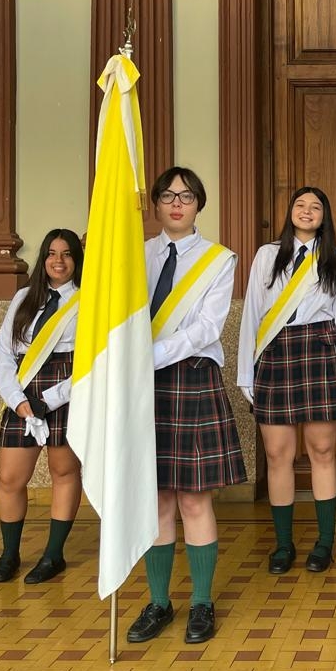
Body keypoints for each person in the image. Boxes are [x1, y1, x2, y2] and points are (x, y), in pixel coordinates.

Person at [126, 167, 246, 646]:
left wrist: (149, 355)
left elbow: (207, 328)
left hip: (191, 376)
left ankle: (201, 601)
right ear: (155, 203)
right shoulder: (134, 255)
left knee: (195, 498)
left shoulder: (219, 260)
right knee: (156, 497)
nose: (178, 203)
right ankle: (159, 602)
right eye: (169, 195)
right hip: (143, 386)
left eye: (188, 195)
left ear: (199, 204)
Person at [238, 186, 336, 574]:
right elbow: (252, 314)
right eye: (300, 205)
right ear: (290, 212)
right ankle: (283, 545)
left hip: (320, 352)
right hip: (275, 352)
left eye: (315, 207)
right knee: (278, 454)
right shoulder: (267, 255)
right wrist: (246, 371)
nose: (307, 211)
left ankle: (324, 543)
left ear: (324, 217)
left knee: (322, 451)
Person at [0, 228, 84, 584]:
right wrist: (17, 401)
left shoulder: (88, 301)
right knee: (9, 478)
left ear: (77, 260)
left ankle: (53, 555)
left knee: (64, 472)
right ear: (43, 258)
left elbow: (92, 362)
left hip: (65, 389)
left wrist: (50, 400)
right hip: (23, 389)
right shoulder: (24, 297)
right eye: (51, 253)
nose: (58, 261)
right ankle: (9, 554)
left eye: (67, 254)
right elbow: (4, 355)